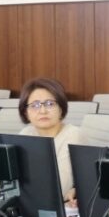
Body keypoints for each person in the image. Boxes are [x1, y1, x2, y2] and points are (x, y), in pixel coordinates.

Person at [17, 77, 83, 205]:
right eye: (35, 105)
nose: (43, 111)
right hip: (30, 205)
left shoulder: (73, 135)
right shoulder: (26, 133)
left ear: (61, 108)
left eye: (50, 104)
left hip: (60, 208)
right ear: (26, 112)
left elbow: (60, 188)